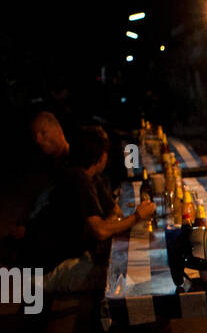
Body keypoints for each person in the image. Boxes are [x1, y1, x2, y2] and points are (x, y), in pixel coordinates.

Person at [43, 126, 155, 294]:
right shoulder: (78, 179)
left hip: (81, 255)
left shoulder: (92, 176)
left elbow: (115, 212)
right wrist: (136, 217)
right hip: (55, 267)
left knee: (133, 264)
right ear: (102, 156)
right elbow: (100, 231)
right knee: (126, 281)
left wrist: (109, 224)